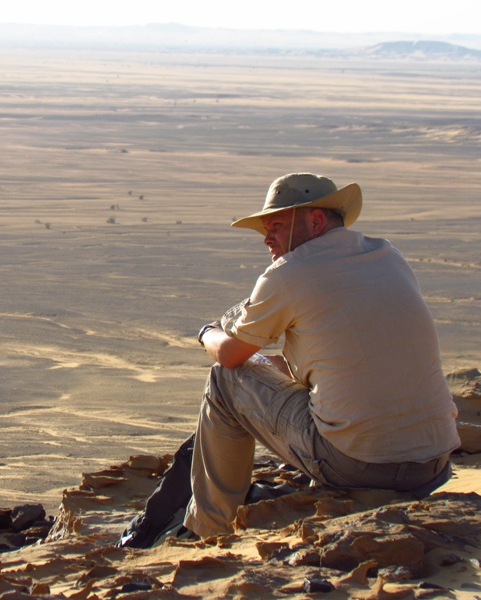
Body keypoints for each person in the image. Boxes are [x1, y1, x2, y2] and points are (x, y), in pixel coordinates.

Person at [178, 173, 461, 539]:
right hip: (434, 464)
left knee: (225, 379)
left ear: (315, 220)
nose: (266, 238)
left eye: (276, 225)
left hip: (361, 467)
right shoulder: (388, 255)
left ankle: (209, 528)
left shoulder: (288, 273)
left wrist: (207, 332)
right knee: (278, 370)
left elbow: (231, 356)